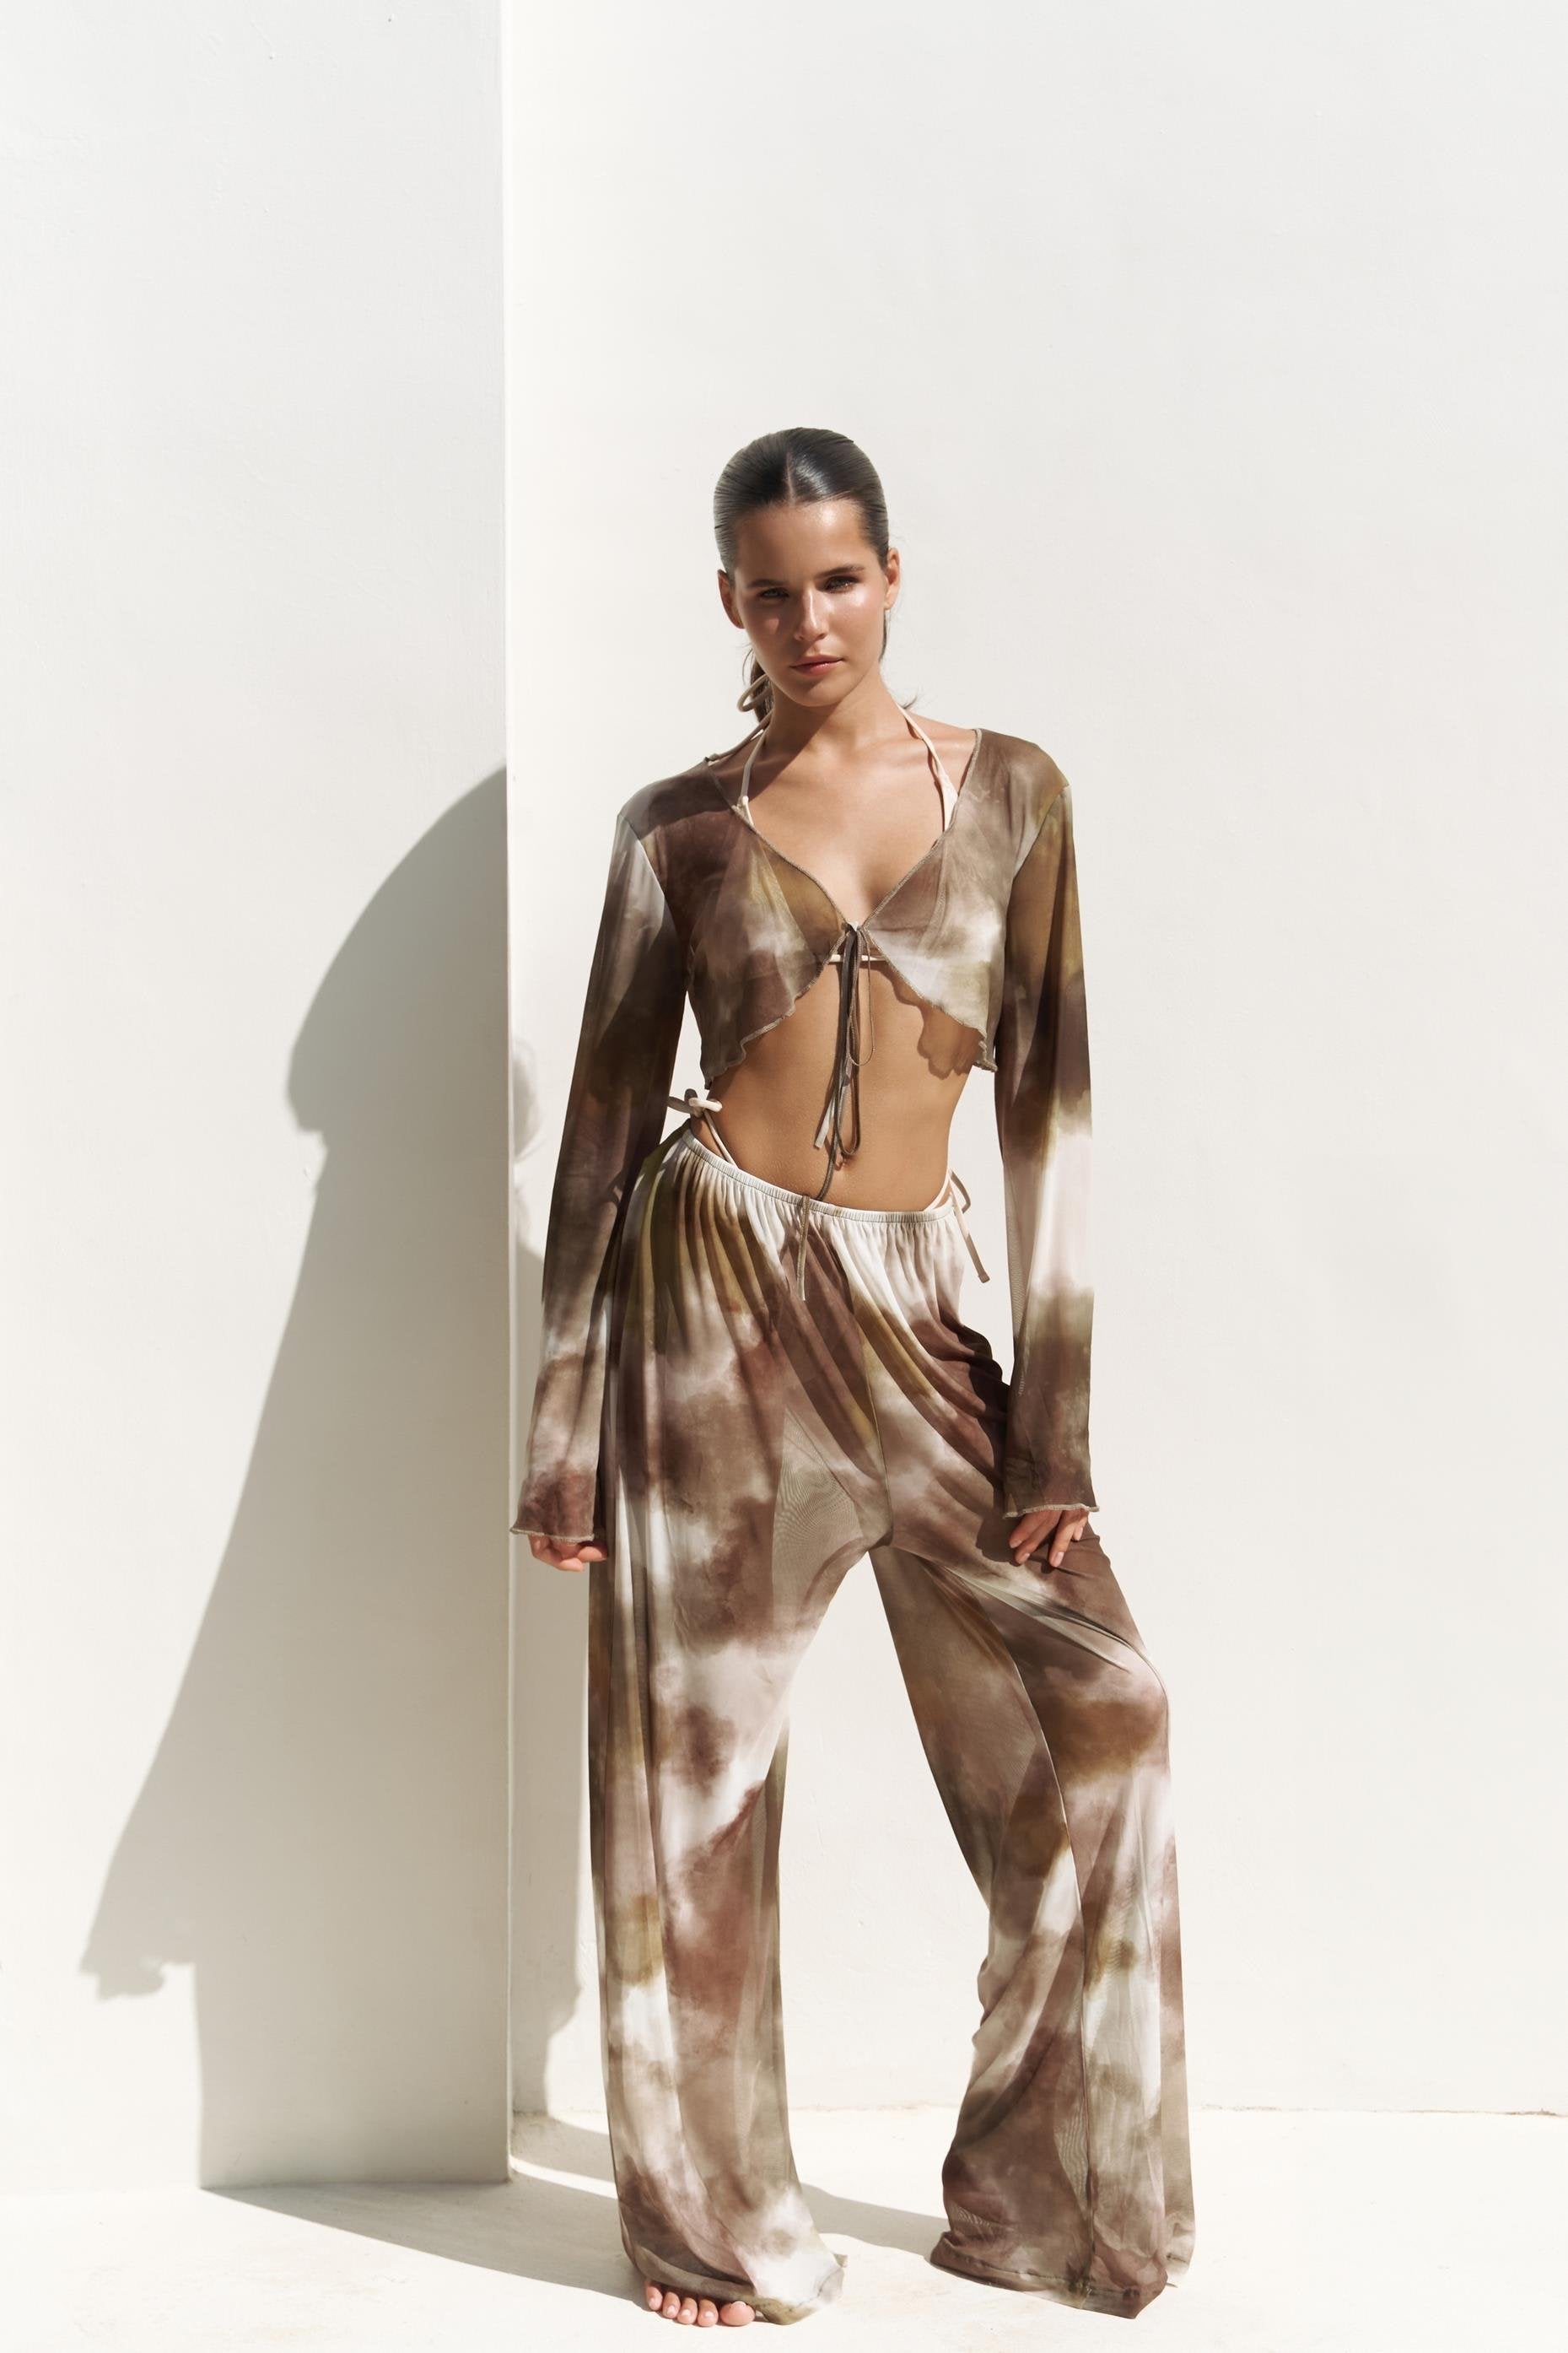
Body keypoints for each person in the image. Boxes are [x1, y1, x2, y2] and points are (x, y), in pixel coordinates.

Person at [512, 426, 1194, 2326]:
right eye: (771, 589)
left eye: (839, 577)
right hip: (706, 1311)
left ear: (891, 576)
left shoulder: (1016, 794)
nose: (809, 616)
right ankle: (710, 2226)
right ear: (730, 603)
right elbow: (595, 1138)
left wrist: (1054, 1423)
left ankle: (1033, 2195)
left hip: (911, 1312)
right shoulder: (676, 828)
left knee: (1112, 1714)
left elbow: (1054, 1110)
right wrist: (561, 1433)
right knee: (697, 1785)